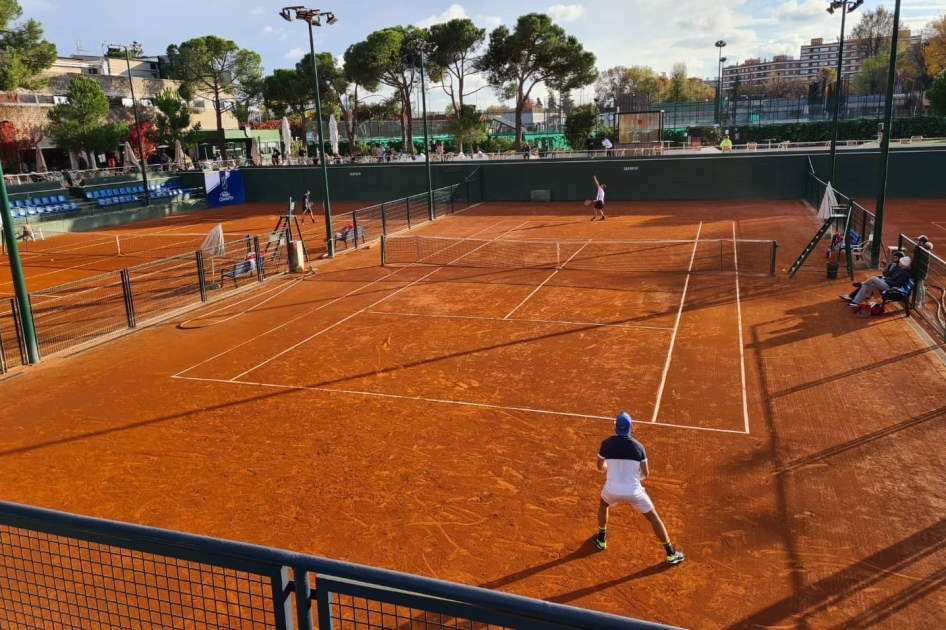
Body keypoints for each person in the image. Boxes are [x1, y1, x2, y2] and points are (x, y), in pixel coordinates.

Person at [595, 412, 685, 565]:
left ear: (615, 426)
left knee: (603, 505)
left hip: (612, 489)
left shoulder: (606, 444)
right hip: (634, 491)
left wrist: (609, 469)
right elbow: (645, 473)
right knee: (653, 517)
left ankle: (601, 539)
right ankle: (670, 553)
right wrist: (635, 479)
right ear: (630, 427)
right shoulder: (639, 447)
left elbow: (599, 466)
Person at [846, 256, 912, 307]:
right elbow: (889, 275)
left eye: (900, 262)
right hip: (886, 284)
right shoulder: (899, 269)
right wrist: (885, 279)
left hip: (889, 288)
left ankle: (861, 283)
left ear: (903, 264)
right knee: (865, 286)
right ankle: (856, 302)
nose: (898, 263)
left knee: (874, 278)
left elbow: (898, 284)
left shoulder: (905, 273)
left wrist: (886, 281)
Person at [912, 236, 933, 309]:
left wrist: (916, 247)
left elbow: (916, 253)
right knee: (921, 286)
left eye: (918, 240)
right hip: (921, 270)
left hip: (920, 271)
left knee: (918, 287)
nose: (917, 241)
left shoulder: (922, 250)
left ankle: (918, 303)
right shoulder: (924, 249)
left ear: (921, 242)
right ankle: (922, 302)